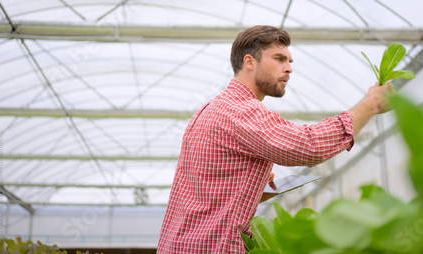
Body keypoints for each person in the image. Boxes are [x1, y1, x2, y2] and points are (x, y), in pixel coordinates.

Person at [157, 25, 394, 253]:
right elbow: (307, 146)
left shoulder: (210, 109)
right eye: (279, 59)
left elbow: (207, 188)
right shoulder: (240, 110)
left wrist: (251, 180)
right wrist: (369, 106)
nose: (289, 68)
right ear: (249, 62)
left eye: (290, 61)